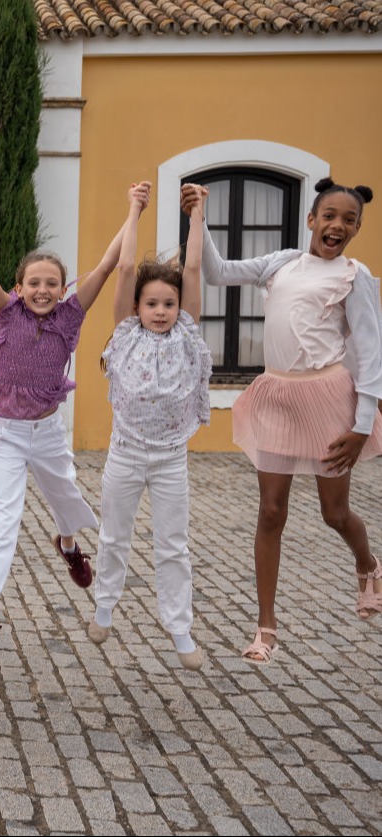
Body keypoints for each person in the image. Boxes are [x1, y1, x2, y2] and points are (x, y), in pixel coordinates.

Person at [195, 177, 382, 663]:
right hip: (277, 395)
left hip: (328, 400)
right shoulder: (280, 263)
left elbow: (369, 351)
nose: (337, 225)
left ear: (357, 229)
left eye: (349, 220)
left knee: (334, 513)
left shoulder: (354, 276)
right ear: (311, 220)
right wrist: (199, 216)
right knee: (271, 512)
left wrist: (363, 424)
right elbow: (216, 273)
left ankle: (368, 564)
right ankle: (265, 627)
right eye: (330, 216)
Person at [0, 206, 130, 658]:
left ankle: (67, 544)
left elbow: (105, 265)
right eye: (34, 283)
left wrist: (135, 209)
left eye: (51, 284)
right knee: (0, 518)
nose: (42, 290)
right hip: (6, 433)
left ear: (63, 290)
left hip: (48, 433)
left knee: (65, 495)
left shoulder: (70, 316)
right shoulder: (6, 313)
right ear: (19, 288)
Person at [88, 181, 212, 670]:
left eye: (168, 303)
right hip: (125, 452)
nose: (160, 311)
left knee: (173, 544)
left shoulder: (187, 331)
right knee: (114, 535)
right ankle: (104, 606)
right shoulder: (123, 333)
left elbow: (195, 266)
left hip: (169, 458)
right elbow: (123, 267)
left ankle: (180, 629)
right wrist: (134, 208)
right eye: (152, 304)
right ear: (137, 307)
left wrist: (196, 215)